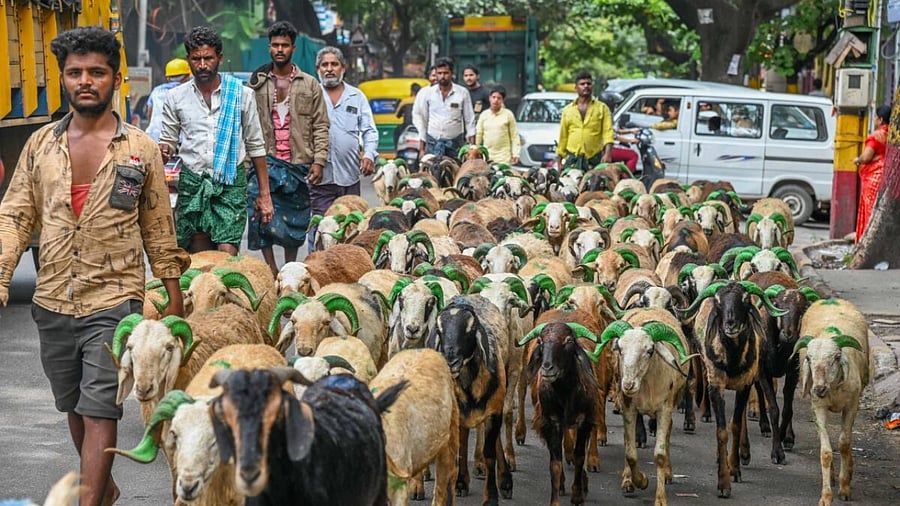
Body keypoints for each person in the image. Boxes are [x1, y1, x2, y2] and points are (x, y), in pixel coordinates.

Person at [0, 26, 189, 506]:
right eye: (75, 73)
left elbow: (158, 226)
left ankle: (88, 501)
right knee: (74, 407)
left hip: (116, 300)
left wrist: (173, 294)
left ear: (116, 79)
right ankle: (102, 489)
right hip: (53, 300)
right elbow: (16, 214)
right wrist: (3, 274)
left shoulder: (139, 148)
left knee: (101, 405)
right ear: (64, 78)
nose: (86, 81)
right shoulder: (41, 145)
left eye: (97, 73)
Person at [159, 26, 273, 256]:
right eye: (196, 59)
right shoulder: (175, 98)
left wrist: (265, 195)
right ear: (188, 60)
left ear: (219, 58)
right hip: (193, 184)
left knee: (226, 252)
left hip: (230, 184)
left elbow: (256, 145)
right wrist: (163, 149)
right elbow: (168, 141)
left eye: (208, 58)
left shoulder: (241, 94)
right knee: (199, 256)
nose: (202, 65)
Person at [247, 21, 329, 276]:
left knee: (296, 220)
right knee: (259, 215)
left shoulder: (310, 84)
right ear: (269, 48)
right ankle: (271, 268)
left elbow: (321, 125)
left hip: (298, 163)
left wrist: (319, 161)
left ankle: (290, 268)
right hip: (265, 161)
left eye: (284, 45)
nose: (279, 49)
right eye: (275, 45)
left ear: (293, 48)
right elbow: (247, 123)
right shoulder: (257, 83)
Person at [310, 46, 378, 252]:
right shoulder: (310, 94)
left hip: (350, 176)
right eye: (325, 65)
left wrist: (368, 155)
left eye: (334, 64)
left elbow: (369, 130)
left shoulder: (356, 96)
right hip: (319, 176)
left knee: (350, 228)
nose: (329, 69)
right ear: (318, 69)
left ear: (343, 68)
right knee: (321, 227)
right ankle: (315, 268)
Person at [413, 58, 476, 159]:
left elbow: (470, 120)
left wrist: (473, 147)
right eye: (439, 73)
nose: (442, 76)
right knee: (430, 173)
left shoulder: (462, 93)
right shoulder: (428, 93)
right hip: (433, 143)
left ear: (452, 73)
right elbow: (423, 121)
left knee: (457, 172)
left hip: (455, 145)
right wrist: (422, 149)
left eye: (446, 73)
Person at [556, 70, 614, 170]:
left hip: (594, 158)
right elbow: (563, 136)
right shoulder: (567, 110)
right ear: (576, 88)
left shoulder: (602, 108)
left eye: (589, 83)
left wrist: (607, 154)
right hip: (573, 158)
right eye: (582, 84)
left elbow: (608, 133)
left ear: (592, 86)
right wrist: (559, 160)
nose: (586, 86)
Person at [854, 105, 891, 241]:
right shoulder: (892, 134)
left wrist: (857, 160)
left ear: (881, 119)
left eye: (875, 117)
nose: (874, 119)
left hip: (874, 178)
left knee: (870, 208)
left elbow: (867, 157)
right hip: (887, 178)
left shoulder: (877, 136)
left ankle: (867, 239)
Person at [143, 58, 191, 141]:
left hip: (153, 137)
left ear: (168, 78)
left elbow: (149, 113)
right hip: (178, 142)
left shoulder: (156, 91)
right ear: (187, 77)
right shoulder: (189, 91)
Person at [475, 86, 519, 165]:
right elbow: (479, 134)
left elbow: (514, 136)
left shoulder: (508, 114)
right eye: (493, 97)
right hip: (487, 156)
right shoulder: (484, 115)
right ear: (489, 98)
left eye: (499, 98)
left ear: (502, 100)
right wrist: (476, 149)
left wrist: (516, 153)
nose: (496, 100)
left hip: (504, 157)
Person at [393, 82, 421, 148]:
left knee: (396, 132)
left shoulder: (405, 101)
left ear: (412, 91)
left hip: (406, 126)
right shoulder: (422, 101)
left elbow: (397, 115)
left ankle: (396, 148)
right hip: (420, 126)